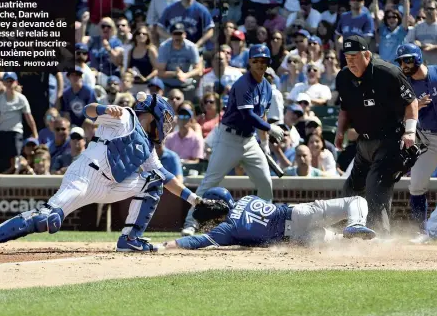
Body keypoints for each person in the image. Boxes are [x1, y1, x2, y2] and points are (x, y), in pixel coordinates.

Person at [0, 93, 216, 254]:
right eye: (166, 118)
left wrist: (196, 201)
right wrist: (105, 108)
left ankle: (130, 240)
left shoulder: (150, 148)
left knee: (153, 181)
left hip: (110, 186)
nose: (168, 124)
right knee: (47, 220)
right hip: (85, 176)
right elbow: (88, 110)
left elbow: (165, 176)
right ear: (154, 115)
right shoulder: (126, 117)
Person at [180, 44, 285, 236]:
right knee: (210, 182)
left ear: (268, 63)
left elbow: (261, 117)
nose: (260, 64)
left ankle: (267, 227)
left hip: (250, 140)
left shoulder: (267, 88)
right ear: (249, 62)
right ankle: (191, 223)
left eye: (264, 61)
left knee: (265, 183)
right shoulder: (243, 83)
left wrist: (265, 144)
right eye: (256, 60)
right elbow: (248, 115)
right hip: (229, 138)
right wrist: (270, 128)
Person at [334, 36, 418, 237]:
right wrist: (340, 131)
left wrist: (410, 131)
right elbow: (345, 108)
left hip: (391, 140)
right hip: (364, 143)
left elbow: (411, 102)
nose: (351, 61)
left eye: (355, 56)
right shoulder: (344, 77)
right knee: (350, 190)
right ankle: (346, 234)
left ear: (367, 55)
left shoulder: (387, 73)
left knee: (376, 188)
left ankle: (380, 241)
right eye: (347, 57)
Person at [157, 187, 376, 250]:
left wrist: (167, 245)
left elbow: (197, 241)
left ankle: (354, 231)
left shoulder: (227, 229)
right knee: (355, 201)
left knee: (340, 242)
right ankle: (357, 224)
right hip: (297, 214)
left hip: (295, 239)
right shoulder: (247, 198)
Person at [394, 44, 437, 242]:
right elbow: (396, 114)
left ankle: (433, 227)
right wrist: (414, 107)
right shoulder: (404, 84)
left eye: (408, 59)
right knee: (416, 186)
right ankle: (420, 231)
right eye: (401, 61)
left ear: (418, 58)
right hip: (428, 138)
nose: (404, 65)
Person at [0, 72, 38, 174]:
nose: (9, 83)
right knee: (2, 160)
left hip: (15, 133)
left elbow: (28, 117)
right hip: (2, 132)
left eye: (11, 81)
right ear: (3, 83)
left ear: (16, 82)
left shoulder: (21, 99)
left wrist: (35, 133)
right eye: (7, 81)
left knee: (15, 159)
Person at [405, 0, 437, 65]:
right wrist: (415, 43)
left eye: (431, 9)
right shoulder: (418, 26)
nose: (428, 11)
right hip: (421, 67)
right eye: (426, 9)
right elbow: (408, 42)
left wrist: (434, 47)